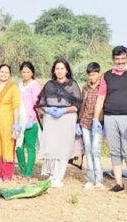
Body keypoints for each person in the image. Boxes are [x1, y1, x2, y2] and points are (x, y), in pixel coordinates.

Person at [93, 46, 127, 193]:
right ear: (113, 60)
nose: (120, 62)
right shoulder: (107, 75)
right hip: (110, 117)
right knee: (114, 151)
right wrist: (96, 118)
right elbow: (101, 97)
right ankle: (119, 183)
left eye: (123, 58)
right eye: (117, 59)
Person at [36, 59, 82, 188]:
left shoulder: (73, 85)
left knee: (63, 147)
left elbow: (77, 106)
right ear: (54, 71)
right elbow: (41, 104)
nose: (60, 71)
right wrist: (49, 110)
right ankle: (51, 175)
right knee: (51, 146)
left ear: (67, 70)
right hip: (51, 119)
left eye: (62, 68)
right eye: (57, 69)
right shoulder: (49, 85)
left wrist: (63, 110)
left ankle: (59, 177)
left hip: (67, 119)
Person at [78, 62, 104, 190]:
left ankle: (99, 180)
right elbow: (83, 104)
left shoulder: (103, 87)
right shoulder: (86, 88)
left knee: (96, 150)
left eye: (94, 74)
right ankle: (91, 179)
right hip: (85, 122)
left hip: (97, 123)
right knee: (88, 150)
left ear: (99, 74)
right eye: (90, 75)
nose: (92, 77)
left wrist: (100, 120)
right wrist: (78, 121)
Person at [15, 62, 41, 182]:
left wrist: (32, 119)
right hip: (19, 121)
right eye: (23, 72)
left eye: (28, 72)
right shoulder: (18, 85)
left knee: (30, 148)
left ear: (32, 73)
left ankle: (28, 174)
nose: (25, 74)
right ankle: (23, 170)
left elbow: (36, 103)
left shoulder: (35, 85)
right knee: (18, 147)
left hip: (30, 121)